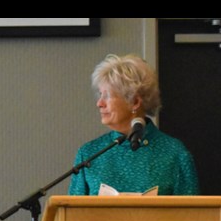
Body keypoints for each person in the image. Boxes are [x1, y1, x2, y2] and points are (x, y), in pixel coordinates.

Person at [68, 53, 199, 196]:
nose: (99, 103)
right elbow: (70, 215)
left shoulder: (174, 153)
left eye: (108, 96)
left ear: (135, 102)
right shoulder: (89, 154)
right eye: (100, 94)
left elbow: (191, 216)